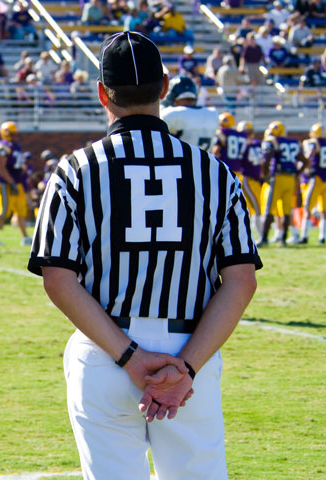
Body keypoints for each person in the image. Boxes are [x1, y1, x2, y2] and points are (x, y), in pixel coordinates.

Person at [29, 31, 261, 480]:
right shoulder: (213, 171)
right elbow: (241, 280)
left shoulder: (76, 170)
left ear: (102, 93)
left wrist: (129, 358)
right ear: (164, 87)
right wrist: (187, 367)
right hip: (190, 350)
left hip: (105, 350)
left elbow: (58, 279)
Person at [259, 120, 305, 246]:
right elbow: (305, 161)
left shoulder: (272, 141)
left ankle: (264, 239)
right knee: (286, 211)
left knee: (268, 209)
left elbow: (266, 159)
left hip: (277, 177)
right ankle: (283, 239)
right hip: (290, 179)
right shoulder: (294, 142)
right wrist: (297, 173)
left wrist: (265, 175)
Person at [0, 121, 31, 246]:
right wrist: (11, 182)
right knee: (3, 211)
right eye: (13, 134)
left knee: (20, 210)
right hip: (5, 183)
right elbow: (0, 167)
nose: (16, 136)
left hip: (16, 182)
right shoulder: (2, 146)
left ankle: (25, 237)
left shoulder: (15, 146)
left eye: (16, 134)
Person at [161, 75, 219, 151]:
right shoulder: (212, 113)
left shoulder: (171, 114)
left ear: (172, 95)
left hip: (181, 161)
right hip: (205, 161)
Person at [237, 120, 264, 241]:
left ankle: (261, 236)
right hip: (249, 179)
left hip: (253, 179)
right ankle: (261, 236)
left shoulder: (247, 144)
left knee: (257, 207)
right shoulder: (258, 143)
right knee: (255, 207)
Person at [299, 122, 326, 244]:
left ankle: (304, 236)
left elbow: (309, 156)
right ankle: (322, 237)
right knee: (323, 210)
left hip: (317, 178)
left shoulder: (313, 143)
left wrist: (304, 168)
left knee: (307, 208)